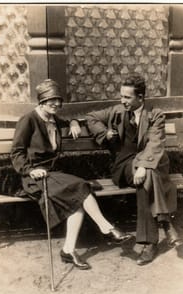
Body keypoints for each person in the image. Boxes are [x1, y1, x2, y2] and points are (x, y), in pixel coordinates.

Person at [11, 79, 131, 270]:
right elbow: (16, 153)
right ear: (41, 101)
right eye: (52, 101)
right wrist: (30, 170)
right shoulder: (28, 120)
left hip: (53, 174)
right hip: (35, 177)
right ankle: (106, 228)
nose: (57, 105)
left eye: (58, 101)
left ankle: (68, 250)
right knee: (81, 187)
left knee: (77, 199)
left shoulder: (52, 118)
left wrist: (74, 122)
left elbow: (67, 121)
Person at [86, 74, 183, 266]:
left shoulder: (155, 115)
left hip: (147, 165)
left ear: (141, 97)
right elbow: (91, 117)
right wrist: (104, 132)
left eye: (127, 97)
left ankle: (149, 242)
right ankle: (165, 224)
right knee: (150, 174)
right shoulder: (116, 111)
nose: (123, 101)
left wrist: (142, 166)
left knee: (147, 176)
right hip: (123, 166)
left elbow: (155, 144)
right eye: (122, 96)